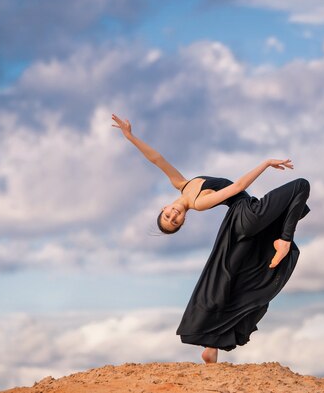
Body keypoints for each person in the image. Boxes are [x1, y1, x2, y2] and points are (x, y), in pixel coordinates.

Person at [111, 113, 310, 364]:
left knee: (229, 276)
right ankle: (284, 239)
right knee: (301, 186)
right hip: (245, 213)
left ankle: (211, 344)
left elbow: (157, 159)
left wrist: (130, 136)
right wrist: (266, 163)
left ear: (164, 207)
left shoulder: (181, 185)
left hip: (243, 219)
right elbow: (237, 187)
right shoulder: (198, 202)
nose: (173, 216)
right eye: (175, 222)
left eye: (169, 216)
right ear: (183, 222)